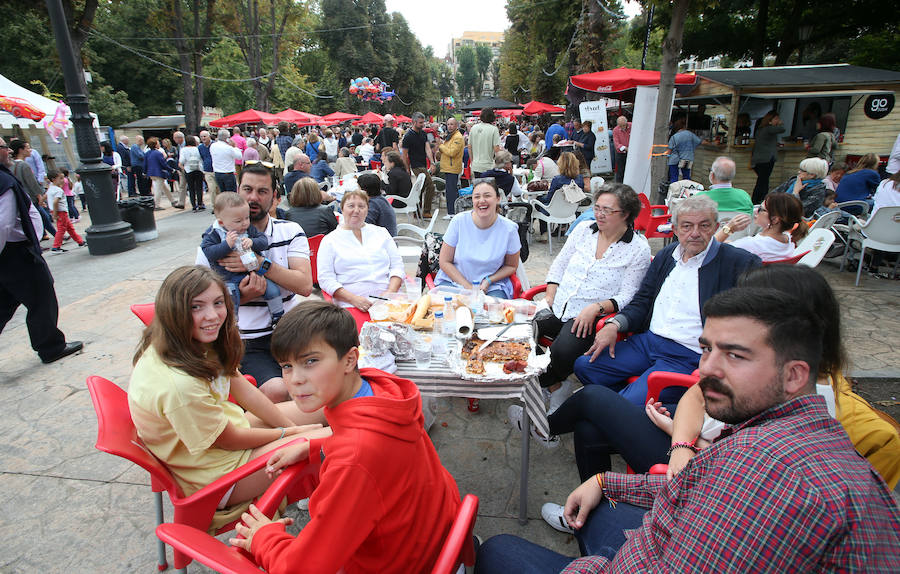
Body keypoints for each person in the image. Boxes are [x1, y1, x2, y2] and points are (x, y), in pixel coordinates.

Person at [477, 287, 900, 573]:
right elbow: (699, 483)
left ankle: (544, 428)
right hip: (666, 526)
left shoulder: (773, 475)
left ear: (794, 375)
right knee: (592, 437)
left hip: (652, 556)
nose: (706, 369)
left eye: (735, 355)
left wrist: (590, 566)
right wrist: (607, 482)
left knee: (497, 550)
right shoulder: (784, 427)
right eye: (706, 349)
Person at [229, 301, 460, 572]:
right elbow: (369, 443)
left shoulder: (354, 461)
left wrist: (263, 538)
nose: (295, 379)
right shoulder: (381, 393)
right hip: (434, 536)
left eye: (310, 361)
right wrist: (317, 445)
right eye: (287, 366)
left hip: (397, 563)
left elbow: (305, 567)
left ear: (350, 359)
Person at [128, 266, 325, 503]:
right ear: (173, 311)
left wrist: (290, 428)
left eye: (218, 303)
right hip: (218, 476)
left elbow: (241, 388)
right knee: (337, 438)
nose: (212, 316)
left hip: (226, 435)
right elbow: (228, 440)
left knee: (324, 408)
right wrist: (287, 433)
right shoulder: (179, 385)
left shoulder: (189, 340)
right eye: (196, 306)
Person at [572, 195, 760, 409]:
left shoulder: (739, 262)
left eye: (704, 226)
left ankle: (624, 409)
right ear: (675, 229)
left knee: (626, 403)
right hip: (648, 342)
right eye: (687, 226)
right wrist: (615, 324)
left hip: (687, 354)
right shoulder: (667, 255)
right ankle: (621, 406)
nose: (695, 233)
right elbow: (643, 300)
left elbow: (753, 320)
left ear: (716, 226)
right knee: (585, 366)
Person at [527, 184, 649, 415]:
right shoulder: (584, 230)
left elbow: (629, 295)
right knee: (518, 330)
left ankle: (545, 383)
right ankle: (555, 385)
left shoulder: (637, 249)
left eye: (607, 210)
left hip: (591, 316)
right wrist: (550, 295)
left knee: (563, 350)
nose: (599, 214)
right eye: (597, 207)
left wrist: (597, 307)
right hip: (558, 305)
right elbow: (559, 265)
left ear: (625, 214)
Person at [197, 163, 314, 402]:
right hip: (247, 340)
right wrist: (244, 296)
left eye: (262, 191)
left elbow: (304, 285)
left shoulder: (289, 230)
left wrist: (259, 263)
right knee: (280, 391)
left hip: (292, 333)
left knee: (329, 381)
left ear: (274, 197)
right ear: (237, 191)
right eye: (247, 189)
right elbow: (198, 301)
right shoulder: (214, 239)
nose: (253, 197)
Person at [0, 136, 83, 363]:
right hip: (16, 253)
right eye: (3, 147)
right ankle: (50, 346)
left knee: (5, 301)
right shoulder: (3, 181)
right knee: (41, 296)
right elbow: (4, 224)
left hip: (11, 254)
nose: (7, 150)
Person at [201, 192, 285, 326]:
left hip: (254, 272)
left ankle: (278, 316)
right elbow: (208, 252)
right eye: (238, 221)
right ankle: (231, 322)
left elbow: (263, 241)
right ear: (221, 222)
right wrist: (226, 245)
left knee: (273, 290)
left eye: (247, 218)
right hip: (229, 278)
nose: (244, 223)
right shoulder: (214, 233)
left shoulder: (249, 229)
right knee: (230, 297)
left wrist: (252, 242)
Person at [316, 191, 404, 311]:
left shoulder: (381, 232)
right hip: (349, 304)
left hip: (387, 301)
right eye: (351, 206)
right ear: (342, 209)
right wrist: (353, 299)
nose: (356, 210)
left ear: (367, 210)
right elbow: (325, 279)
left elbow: (397, 266)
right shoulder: (330, 241)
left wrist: (390, 293)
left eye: (361, 206)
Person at [436, 180, 521, 299]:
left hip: (491, 286)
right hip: (454, 281)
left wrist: (489, 280)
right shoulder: (459, 221)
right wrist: (468, 287)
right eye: (477, 197)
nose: (482, 201)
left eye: (487, 196)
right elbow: (444, 261)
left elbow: (511, 266)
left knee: (493, 313)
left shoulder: (509, 229)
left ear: (498, 199)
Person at [715, 193, 807, 261]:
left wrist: (728, 228)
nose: (755, 211)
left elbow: (707, 249)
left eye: (760, 209)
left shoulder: (751, 244)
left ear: (775, 220)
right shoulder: (788, 239)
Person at [8, 139, 55, 238]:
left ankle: (54, 235)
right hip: (30, 197)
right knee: (42, 218)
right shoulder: (24, 165)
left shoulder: (11, 165)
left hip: (21, 197)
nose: (30, 150)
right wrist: (40, 196)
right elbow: (32, 183)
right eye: (28, 148)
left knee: (41, 218)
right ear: (21, 150)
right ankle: (54, 236)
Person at [534, 151, 584, 240]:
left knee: (538, 202)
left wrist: (539, 198)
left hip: (555, 211)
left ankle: (544, 232)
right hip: (571, 211)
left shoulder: (557, 179)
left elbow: (549, 198)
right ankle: (563, 227)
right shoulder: (580, 178)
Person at [401, 112, 437, 218]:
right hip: (415, 165)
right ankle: (425, 211)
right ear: (414, 122)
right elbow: (404, 155)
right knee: (430, 186)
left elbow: (427, 149)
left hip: (423, 164)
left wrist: (432, 162)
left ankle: (417, 211)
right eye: (420, 122)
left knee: (420, 188)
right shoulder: (408, 136)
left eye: (423, 122)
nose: (422, 124)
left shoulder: (423, 133)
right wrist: (407, 168)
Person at [750, 111, 786, 203]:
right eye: (776, 119)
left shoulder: (761, 129)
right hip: (766, 159)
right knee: (763, 181)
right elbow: (782, 129)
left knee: (762, 181)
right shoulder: (769, 129)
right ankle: (759, 200)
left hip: (759, 159)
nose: (778, 120)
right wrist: (780, 123)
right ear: (770, 120)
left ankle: (758, 200)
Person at [45, 169, 85, 253]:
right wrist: (55, 214)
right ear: (54, 179)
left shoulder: (51, 188)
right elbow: (55, 201)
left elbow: (46, 196)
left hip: (57, 211)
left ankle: (80, 241)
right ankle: (56, 247)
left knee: (69, 228)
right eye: (61, 178)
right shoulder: (58, 190)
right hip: (61, 212)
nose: (63, 180)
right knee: (62, 229)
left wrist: (42, 202)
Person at [438, 117, 464, 219]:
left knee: (451, 191)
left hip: (452, 168)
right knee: (450, 190)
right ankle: (452, 212)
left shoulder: (457, 137)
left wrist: (441, 146)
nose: (449, 126)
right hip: (448, 167)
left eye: (452, 124)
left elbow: (452, 152)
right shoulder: (451, 136)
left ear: (456, 125)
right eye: (448, 124)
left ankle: (452, 213)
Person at [359, 172, 397, 237]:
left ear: (364, 191)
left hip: (383, 243)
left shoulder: (373, 205)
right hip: (389, 239)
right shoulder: (381, 199)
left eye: (358, 188)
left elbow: (364, 226)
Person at [145, 137, 178, 210]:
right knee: (158, 190)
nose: (159, 144)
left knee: (164, 188)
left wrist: (145, 172)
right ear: (155, 145)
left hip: (151, 173)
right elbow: (163, 164)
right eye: (158, 143)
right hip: (158, 173)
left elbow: (145, 164)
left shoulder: (147, 153)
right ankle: (156, 205)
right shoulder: (158, 153)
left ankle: (172, 200)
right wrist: (171, 170)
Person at [667, 118, 703, 182]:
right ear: (684, 126)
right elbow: (700, 141)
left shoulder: (674, 137)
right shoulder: (690, 134)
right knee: (686, 178)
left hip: (674, 159)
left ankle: (675, 191)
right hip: (687, 158)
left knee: (674, 178)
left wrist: (667, 156)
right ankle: (686, 191)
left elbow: (669, 150)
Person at [469, 108, 501, 178]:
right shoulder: (494, 129)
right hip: (488, 165)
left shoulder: (473, 128)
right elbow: (496, 150)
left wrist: (472, 161)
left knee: (478, 187)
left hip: (476, 165)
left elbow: (469, 147)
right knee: (488, 188)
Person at [179, 135, 205, 211]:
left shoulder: (183, 150)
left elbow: (181, 161)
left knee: (191, 188)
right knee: (199, 187)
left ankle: (194, 204)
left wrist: (183, 168)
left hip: (189, 170)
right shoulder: (197, 149)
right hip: (198, 169)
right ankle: (200, 203)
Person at [198, 130, 219, 204]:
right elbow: (200, 158)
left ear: (209, 136)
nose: (203, 138)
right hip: (207, 171)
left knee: (218, 188)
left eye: (205, 136)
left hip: (217, 169)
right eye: (201, 137)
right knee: (211, 188)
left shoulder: (215, 145)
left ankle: (220, 204)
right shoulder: (200, 147)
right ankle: (214, 205)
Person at [612, 116, 631, 183]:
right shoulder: (615, 130)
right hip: (621, 153)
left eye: (623, 125)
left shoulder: (632, 126)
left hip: (631, 152)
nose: (622, 127)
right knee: (620, 171)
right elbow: (616, 143)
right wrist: (625, 148)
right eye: (620, 125)